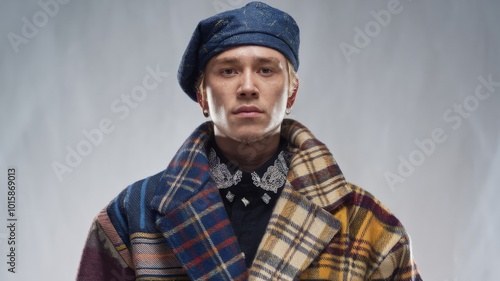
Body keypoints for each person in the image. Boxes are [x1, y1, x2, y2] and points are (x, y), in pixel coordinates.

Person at [77, 2, 422, 280]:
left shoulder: (367, 223)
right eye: (228, 70)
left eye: (266, 70)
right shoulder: (132, 216)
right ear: (202, 96)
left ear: (291, 93)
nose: (247, 86)